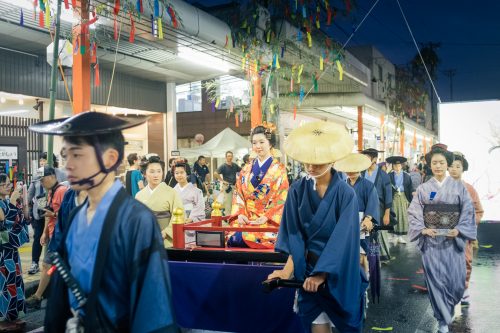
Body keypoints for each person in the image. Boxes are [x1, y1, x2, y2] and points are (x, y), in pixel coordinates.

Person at [29, 112, 177, 332]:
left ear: (110, 158)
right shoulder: (75, 217)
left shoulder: (137, 220)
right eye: (64, 155)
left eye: (77, 155)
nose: (67, 165)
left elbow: (153, 309)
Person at [269, 121, 367, 333]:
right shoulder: (296, 191)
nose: (311, 168)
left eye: (318, 163)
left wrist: (322, 275)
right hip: (308, 273)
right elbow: (294, 236)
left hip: (339, 273)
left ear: (332, 161)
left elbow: (343, 241)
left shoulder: (345, 194)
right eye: (307, 163)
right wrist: (286, 272)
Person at [408, 144, 476, 333]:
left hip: (453, 242)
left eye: (442, 162)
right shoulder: (424, 189)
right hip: (432, 242)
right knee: (436, 282)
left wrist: (460, 229)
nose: (438, 166)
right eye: (434, 163)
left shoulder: (459, 188)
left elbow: (468, 210)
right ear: (429, 165)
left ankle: (450, 307)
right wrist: (422, 229)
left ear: (447, 164)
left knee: (455, 281)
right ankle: (443, 320)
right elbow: (414, 211)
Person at [227, 125, 289, 249]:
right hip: (246, 220)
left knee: (249, 238)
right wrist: (240, 214)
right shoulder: (246, 168)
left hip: (267, 222)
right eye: (254, 143)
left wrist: (266, 217)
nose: (258, 146)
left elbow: (282, 198)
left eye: (262, 142)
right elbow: (238, 193)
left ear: (270, 143)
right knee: (232, 238)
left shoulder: (279, 170)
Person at [25, 166, 68, 309]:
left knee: (47, 265)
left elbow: (68, 214)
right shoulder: (50, 192)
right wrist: (44, 233)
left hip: (60, 236)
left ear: (51, 177)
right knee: (52, 266)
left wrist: (53, 215)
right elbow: (47, 215)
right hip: (53, 234)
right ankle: (47, 294)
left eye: (42, 180)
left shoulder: (62, 191)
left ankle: (38, 296)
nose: (41, 183)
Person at [334, 153, 380, 277]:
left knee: (361, 257)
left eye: (354, 168)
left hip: (362, 223)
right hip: (344, 223)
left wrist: (368, 218)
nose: (351, 171)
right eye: (348, 168)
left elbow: (372, 203)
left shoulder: (368, 186)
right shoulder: (341, 186)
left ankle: (364, 282)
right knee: (346, 255)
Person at [448, 151, 484, 305]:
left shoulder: (470, 189)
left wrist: (467, 224)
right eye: (451, 166)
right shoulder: (439, 187)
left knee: (465, 261)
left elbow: (479, 211)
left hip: (463, 233)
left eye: (458, 166)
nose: (454, 169)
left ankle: (464, 288)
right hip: (445, 233)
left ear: (463, 169)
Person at [0, 174, 29, 332]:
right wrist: (12, 202)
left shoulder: (5, 201)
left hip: (11, 249)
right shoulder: (2, 203)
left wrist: (24, 209)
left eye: (8, 184)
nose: (8, 186)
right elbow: (5, 225)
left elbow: (20, 220)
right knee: (4, 283)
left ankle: (13, 315)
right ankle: (2, 319)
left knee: (15, 281)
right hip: (2, 252)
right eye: (4, 184)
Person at [136, 155, 184, 247]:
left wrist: (166, 232)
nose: (156, 175)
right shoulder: (139, 195)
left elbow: (180, 215)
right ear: (144, 174)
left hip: (166, 241)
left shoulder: (171, 192)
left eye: (159, 171)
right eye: (152, 171)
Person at [361, 148, 393, 261]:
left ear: (374, 159)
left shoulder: (383, 175)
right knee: (365, 234)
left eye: (367, 158)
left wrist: (387, 214)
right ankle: (366, 257)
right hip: (364, 209)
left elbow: (388, 195)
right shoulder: (361, 172)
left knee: (375, 234)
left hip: (378, 209)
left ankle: (376, 258)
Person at [27, 153, 49, 275]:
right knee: (38, 237)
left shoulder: (56, 173)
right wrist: (27, 204)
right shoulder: (37, 175)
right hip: (39, 210)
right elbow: (31, 191)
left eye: (44, 160)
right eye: (41, 161)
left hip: (52, 210)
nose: (42, 163)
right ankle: (34, 263)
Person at [387, 156, 414, 244]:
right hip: (393, 197)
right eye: (395, 165)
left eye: (399, 165)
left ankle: (401, 236)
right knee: (394, 215)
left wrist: (411, 200)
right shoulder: (389, 175)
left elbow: (410, 188)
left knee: (403, 216)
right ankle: (393, 235)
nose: (397, 167)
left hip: (403, 197)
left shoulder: (407, 176)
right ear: (393, 166)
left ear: (401, 166)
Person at [216, 151, 241, 215]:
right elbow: (215, 173)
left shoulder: (234, 165)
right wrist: (222, 180)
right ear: (226, 157)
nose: (230, 157)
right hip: (227, 187)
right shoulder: (223, 166)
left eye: (231, 156)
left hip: (234, 187)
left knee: (235, 203)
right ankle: (228, 219)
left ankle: (233, 218)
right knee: (228, 204)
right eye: (228, 156)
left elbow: (242, 171)